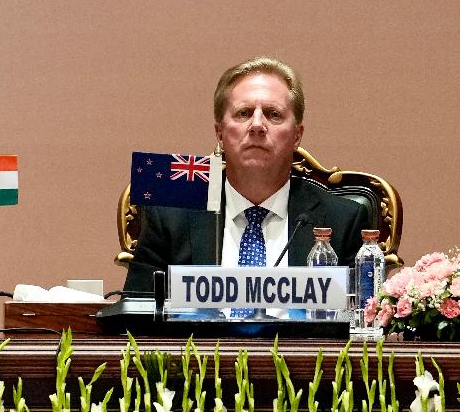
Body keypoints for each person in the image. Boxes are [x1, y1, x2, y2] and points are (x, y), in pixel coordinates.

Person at [121, 56, 367, 296]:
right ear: (220, 133)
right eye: (243, 113)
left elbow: (360, 325)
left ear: (297, 135)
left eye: (273, 114)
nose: (257, 125)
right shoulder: (170, 212)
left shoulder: (343, 219)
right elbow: (135, 315)